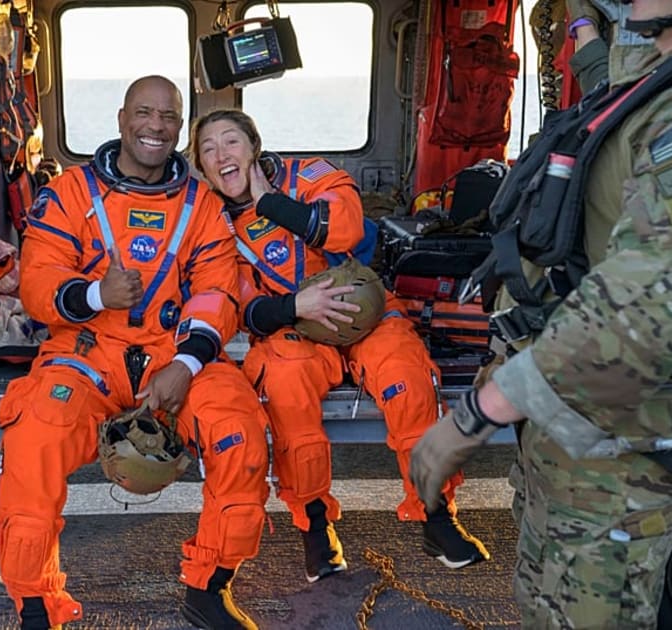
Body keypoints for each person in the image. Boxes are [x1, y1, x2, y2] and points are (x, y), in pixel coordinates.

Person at [410, 0, 672, 625]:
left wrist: (472, 418)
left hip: (632, 425)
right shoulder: (671, 74)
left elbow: (642, 311)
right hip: (586, 423)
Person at [0, 77, 271, 630]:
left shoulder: (201, 206)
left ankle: (209, 588)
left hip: (174, 353)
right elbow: (39, 278)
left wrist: (187, 364)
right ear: (122, 119)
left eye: (169, 117)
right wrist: (96, 294)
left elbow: (217, 293)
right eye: (144, 113)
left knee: (239, 434)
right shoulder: (72, 192)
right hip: (88, 352)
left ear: (179, 127)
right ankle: (34, 607)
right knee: (35, 439)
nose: (156, 126)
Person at [190, 109, 490, 574]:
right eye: (208, 150)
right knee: (285, 382)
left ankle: (435, 514)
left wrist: (269, 202)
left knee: (406, 375)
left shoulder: (307, 175)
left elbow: (346, 227)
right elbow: (238, 306)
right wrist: (296, 308)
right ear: (202, 167)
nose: (222, 155)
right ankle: (314, 524)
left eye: (231, 142)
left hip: (361, 309)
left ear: (254, 145)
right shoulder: (213, 224)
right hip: (292, 328)